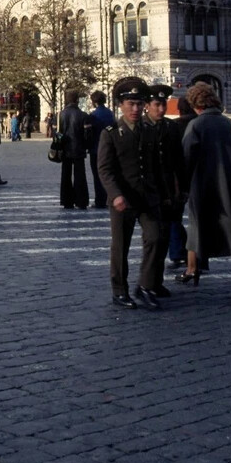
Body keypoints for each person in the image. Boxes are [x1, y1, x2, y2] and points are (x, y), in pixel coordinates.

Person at [179, 81, 231, 297]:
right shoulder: (227, 123)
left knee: (197, 225)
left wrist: (182, 186)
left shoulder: (196, 126)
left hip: (204, 183)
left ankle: (192, 268)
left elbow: (187, 157)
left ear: (195, 104)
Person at [97, 78, 166, 310]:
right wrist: (115, 194)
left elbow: (156, 165)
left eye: (139, 104)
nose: (135, 109)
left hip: (147, 197)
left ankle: (145, 285)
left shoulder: (149, 130)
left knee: (155, 238)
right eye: (130, 104)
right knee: (120, 246)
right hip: (123, 199)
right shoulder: (111, 133)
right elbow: (105, 169)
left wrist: (164, 193)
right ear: (121, 105)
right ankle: (119, 290)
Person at [145, 85, 187, 270]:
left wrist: (183, 188)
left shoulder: (172, 127)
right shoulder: (141, 127)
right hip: (149, 189)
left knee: (170, 226)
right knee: (154, 235)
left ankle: (159, 276)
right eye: (157, 105)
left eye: (164, 105)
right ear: (147, 105)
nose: (161, 109)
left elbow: (179, 161)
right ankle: (151, 277)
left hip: (171, 189)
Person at [58, 91, 89, 210]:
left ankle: (66, 201)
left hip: (65, 148)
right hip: (79, 148)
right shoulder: (83, 115)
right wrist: (86, 145)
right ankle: (81, 201)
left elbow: (58, 134)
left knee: (65, 175)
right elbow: (87, 134)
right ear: (77, 100)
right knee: (80, 175)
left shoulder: (60, 114)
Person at [85, 90, 116, 209]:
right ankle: (110, 197)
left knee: (98, 175)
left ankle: (100, 200)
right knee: (109, 174)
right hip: (110, 148)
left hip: (96, 149)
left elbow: (89, 133)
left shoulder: (93, 116)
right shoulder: (110, 113)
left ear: (94, 102)